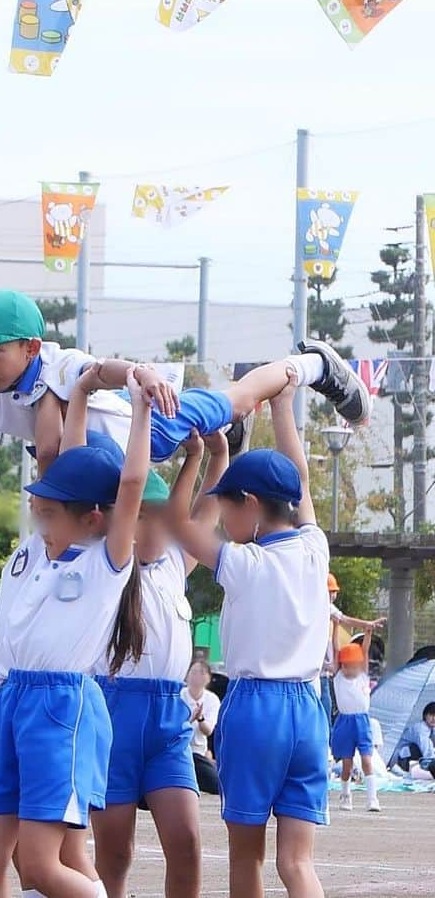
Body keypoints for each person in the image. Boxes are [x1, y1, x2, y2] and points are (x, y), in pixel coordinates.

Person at [0, 289, 369, 473]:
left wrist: (141, 373)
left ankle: (317, 364)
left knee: (242, 395)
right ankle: (236, 431)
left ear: (29, 347)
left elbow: (103, 371)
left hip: (156, 423)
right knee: (53, 460)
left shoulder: (57, 363)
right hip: (112, 467)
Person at [0, 362, 151, 898]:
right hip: (11, 699)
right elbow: (66, 458)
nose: (36, 508)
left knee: (43, 867)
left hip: (60, 707)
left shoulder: (103, 562)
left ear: (93, 517)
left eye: (49, 508)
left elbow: (131, 482)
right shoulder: (35, 548)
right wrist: (80, 389)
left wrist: (139, 404)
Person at [169, 372, 335, 898]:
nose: (223, 516)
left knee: (247, 857)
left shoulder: (243, 563)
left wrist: (202, 456)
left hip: (255, 709)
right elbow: (300, 482)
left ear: (248, 503)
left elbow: (178, 525)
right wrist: (283, 406)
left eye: (227, 505)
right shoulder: (315, 548)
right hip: (308, 710)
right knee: (297, 863)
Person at [91, 429, 228, 898]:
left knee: (187, 841)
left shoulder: (171, 563)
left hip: (168, 720)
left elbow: (205, 511)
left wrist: (207, 456)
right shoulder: (102, 568)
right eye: (140, 517)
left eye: (160, 519)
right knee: (114, 852)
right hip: (114, 714)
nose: (153, 529)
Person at [320, 575, 385, 724]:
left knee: (326, 708)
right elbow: (337, 648)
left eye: (334, 592)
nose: (333, 595)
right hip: (343, 718)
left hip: (359, 719)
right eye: (329, 592)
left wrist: (368, 628)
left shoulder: (361, 674)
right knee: (324, 710)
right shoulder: (340, 674)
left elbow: (344, 620)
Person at [332, 630, 380, 813]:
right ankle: (345, 795)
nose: (349, 669)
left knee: (367, 760)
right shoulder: (338, 677)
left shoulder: (362, 675)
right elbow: (336, 649)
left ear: (359, 665)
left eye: (353, 665)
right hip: (345, 721)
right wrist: (336, 626)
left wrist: (368, 632)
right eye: (345, 665)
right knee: (347, 764)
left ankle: (372, 798)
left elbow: (365, 650)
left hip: (362, 721)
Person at [181, 658, 221, 796]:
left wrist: (200, 718)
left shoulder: (212, 699)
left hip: (197, 753)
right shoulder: (180, 695)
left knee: (216, 785)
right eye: (194, 672)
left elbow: (208, 730)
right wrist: (191, 718)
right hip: (179, 750)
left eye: (201, 673)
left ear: (208, 678)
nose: (197, 676)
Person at [394, 702, 435, 775]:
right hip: (402, 758)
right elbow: (427, 752)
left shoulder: (431, 728)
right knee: (417, 749)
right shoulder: (421, 729)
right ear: (425, 715)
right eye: (431, 715)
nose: (434, 719)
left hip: (410, 756)